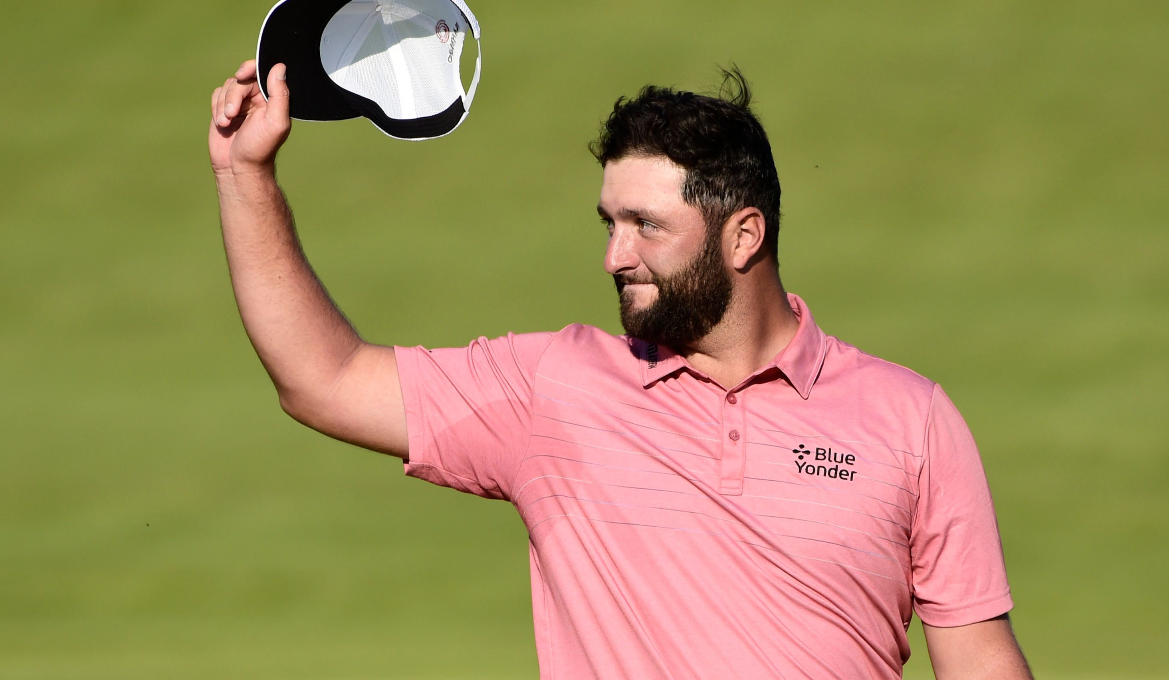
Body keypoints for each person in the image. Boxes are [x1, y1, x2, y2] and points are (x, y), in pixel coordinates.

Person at [208, 59, 1035, 680]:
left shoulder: (911, 420)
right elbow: (324, 378)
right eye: (609, 222)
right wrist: (245, 176)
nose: (614, 255)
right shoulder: (553, 389)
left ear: (744, 236)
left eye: (647, 225)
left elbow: (979, 660)